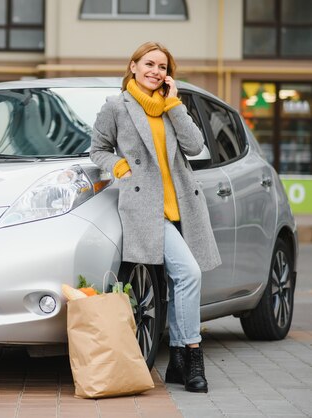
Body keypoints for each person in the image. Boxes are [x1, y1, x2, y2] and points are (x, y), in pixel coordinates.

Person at [89, 41, 221, 393]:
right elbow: (97, 147)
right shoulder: (116, 106)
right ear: (133, 66)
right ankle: (191, 354)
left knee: (182, 282)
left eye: (162, 67)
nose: (155, 71)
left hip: (182, 206)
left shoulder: (171, 107)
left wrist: (175, 102)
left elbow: (195, 147)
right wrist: (119, 166)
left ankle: (178, 364)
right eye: (149, 64)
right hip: (146, 208)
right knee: (189, 274)